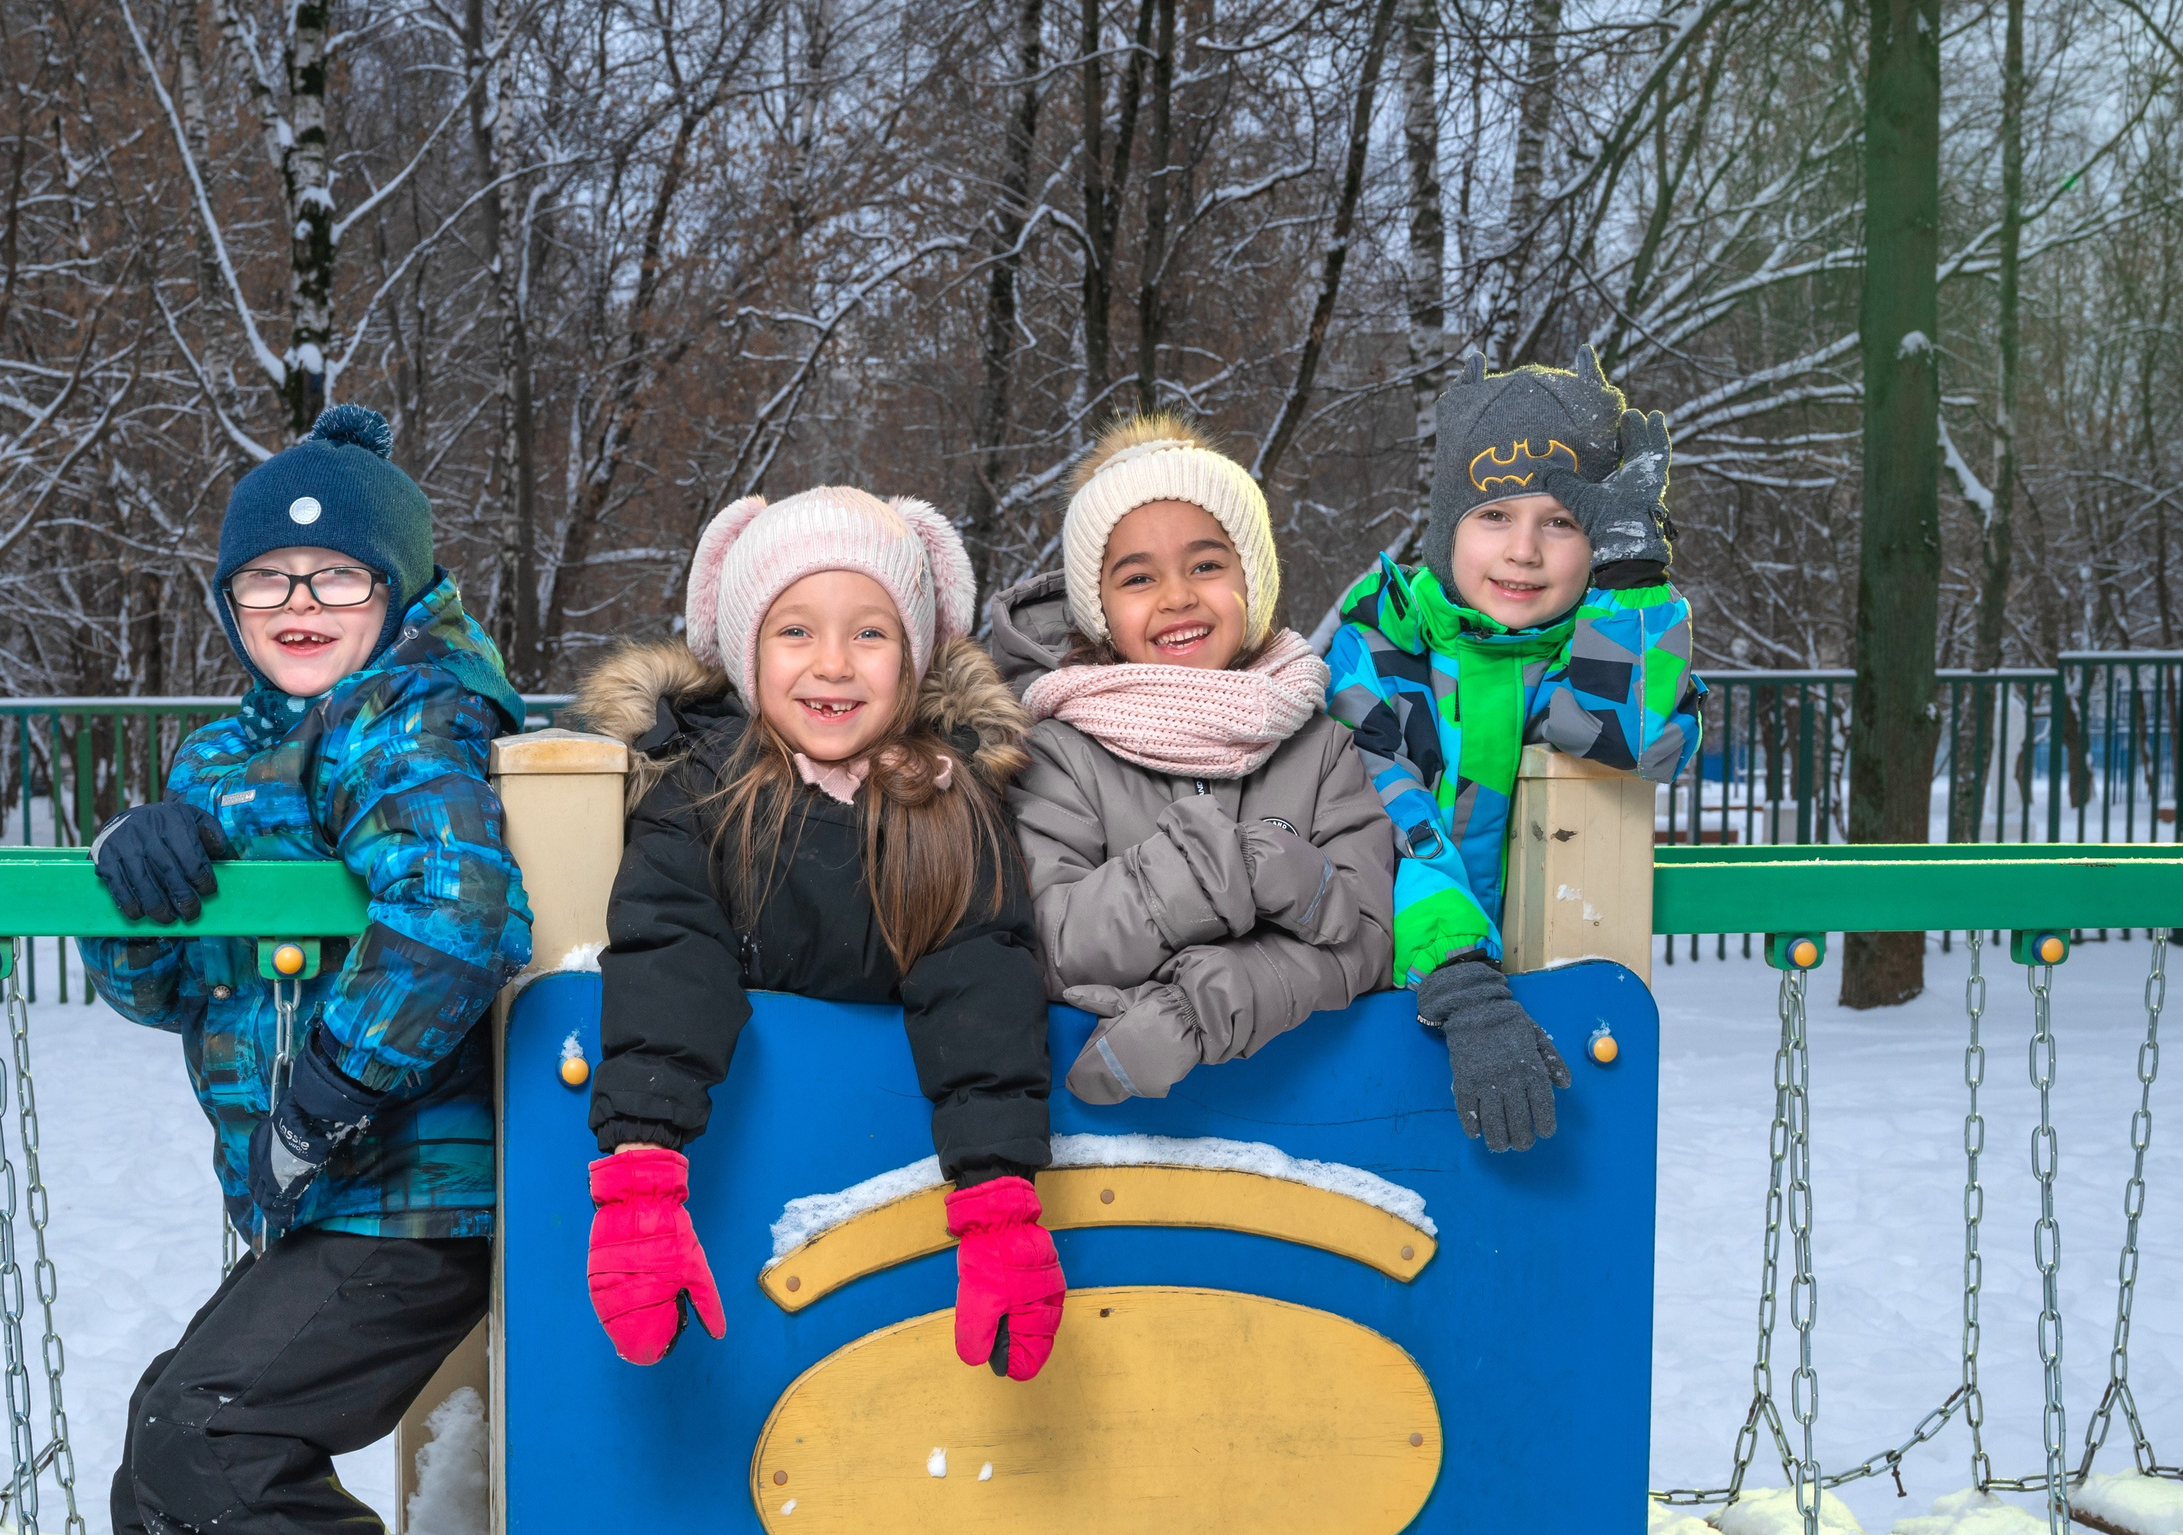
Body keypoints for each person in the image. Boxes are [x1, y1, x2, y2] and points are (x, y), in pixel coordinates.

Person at [0, 404, 531, 1535]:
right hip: (325, 1200)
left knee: (212, 1435)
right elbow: (167, 989)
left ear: (396, 593)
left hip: (419, 1196)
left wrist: (326, 1094)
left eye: (336, 579)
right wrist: (137, 883)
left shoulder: (417, 722)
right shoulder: (226, 756)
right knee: (176, 1437)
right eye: (265, 583)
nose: (299, 606)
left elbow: (456, 917)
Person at [573, 486, 1066, 1382]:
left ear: (915, 661)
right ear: (745, 649)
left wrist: (1000, 1205)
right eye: (794, 631)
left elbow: (983, 990)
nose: (832, 663)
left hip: (884, 1203)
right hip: (745, 1204)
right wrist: (641, 1173)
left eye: (871, 633)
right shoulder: (703, 796)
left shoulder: (955, 808)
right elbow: (667, 960)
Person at [1326, 350, 1705, 1151]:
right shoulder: (1381, 643)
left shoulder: (1590, 647)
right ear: (1446, 526)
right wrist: (1460, 975)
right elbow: (1393, 814)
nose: (1524, 550)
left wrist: (1633, 572)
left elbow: (1626, 735)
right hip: (1389, 993)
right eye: (1493, 514)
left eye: (1562, 522)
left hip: (1536, 1012)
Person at [987, 414, 1394, 1105]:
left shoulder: (1319, 747)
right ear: (1101, 613)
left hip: (1305, 1124)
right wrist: (1216, 871)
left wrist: (1209, 1004)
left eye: (1206, 565)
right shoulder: (1060, 752)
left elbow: (1366, 938)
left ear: (1252, 581)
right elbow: (1049, 942)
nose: (1178, 596)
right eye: (1138, 578)